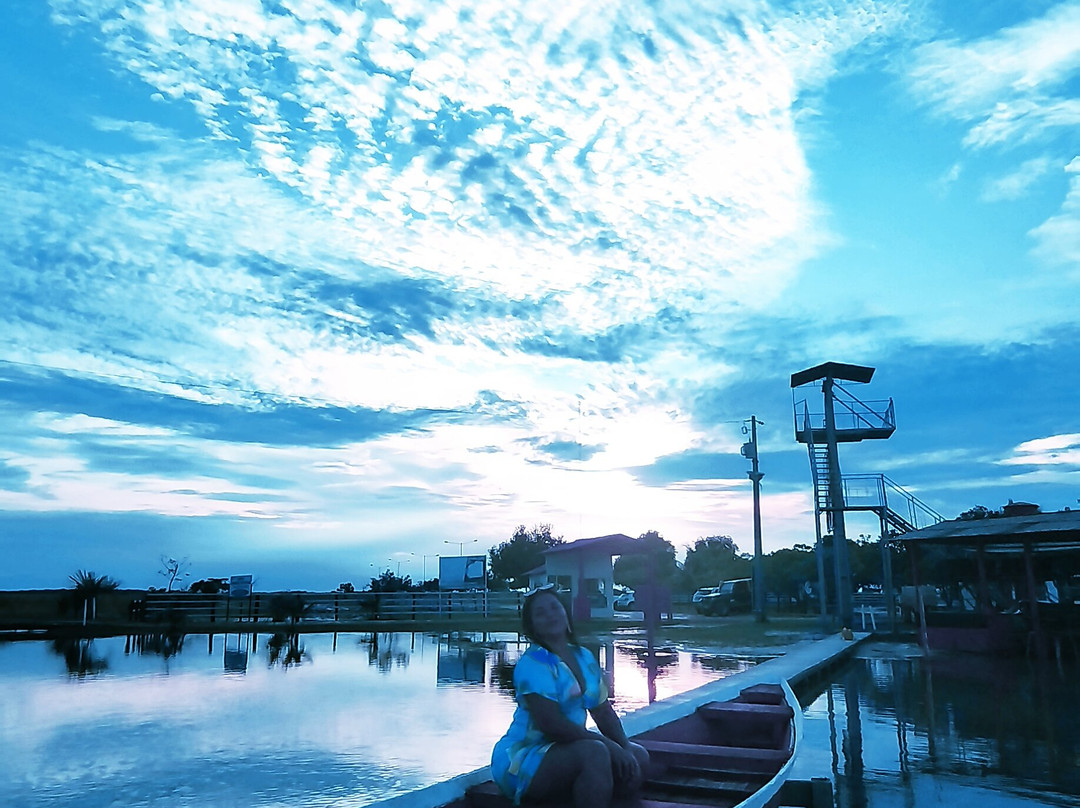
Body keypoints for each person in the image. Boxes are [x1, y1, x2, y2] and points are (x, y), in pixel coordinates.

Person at [491, 585, 649, 807]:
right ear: (532, 627)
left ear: (566, 614)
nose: (550, 615)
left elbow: (602, 711)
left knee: (638, 756)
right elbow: (552, 726)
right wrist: (609, 746)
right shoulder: (533, 663)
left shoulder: (583, 656)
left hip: (569, 748)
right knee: (595, 753)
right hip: (525, 757)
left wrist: (623, 746)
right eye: (540, 613)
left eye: (555, 608)